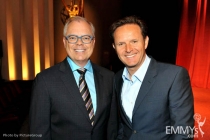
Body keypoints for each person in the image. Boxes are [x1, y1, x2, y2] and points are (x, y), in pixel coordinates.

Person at [29, 16, 118, 140]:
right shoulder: (45, 81)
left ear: (93, 41)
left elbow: (112, 127)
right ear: (64, 42)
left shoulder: (109, 77)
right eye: (72, 37)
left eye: (86, 38)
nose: (79, 43)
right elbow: (39, 133)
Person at [109, 15, 194, 140]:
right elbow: (123, 125)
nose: (128, 49)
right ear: (114, 47)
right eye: (121, 43)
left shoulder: (174, 76)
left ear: (146, 42)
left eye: (134, 41)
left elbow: (184, 131)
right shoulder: (116, 79)